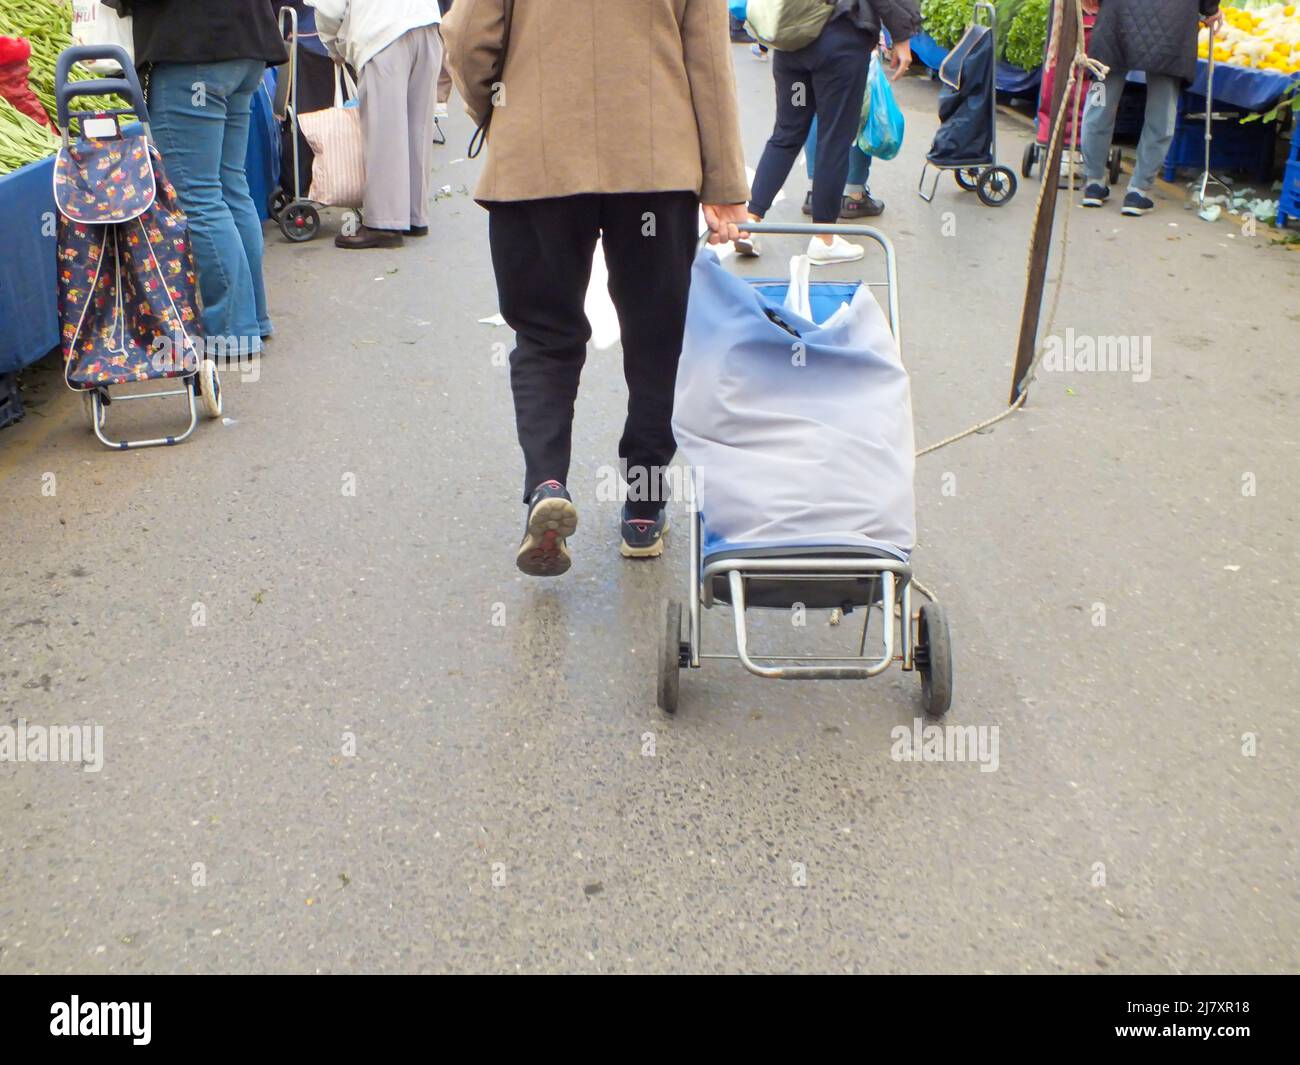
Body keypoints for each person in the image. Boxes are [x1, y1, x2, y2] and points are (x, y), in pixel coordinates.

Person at [443, 0, 749, 576]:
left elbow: (467, 37)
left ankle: (546, 484)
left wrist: (503, 108)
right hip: (655, 166)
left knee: (543, 335)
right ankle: (643, 504)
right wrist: (725, 182)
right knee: (658, 338)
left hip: (537, 158)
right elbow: (707, 57)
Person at [113, 0, 287, 353]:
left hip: (193, 50)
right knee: (229, 186)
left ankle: (231, 330)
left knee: (200, 196)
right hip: (246, 44)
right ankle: (250, 319)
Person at [743, 0, 918, 266]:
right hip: (839, 41)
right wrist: (902, 37)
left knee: (787, 133)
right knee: (834, 138)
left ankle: (749, 224)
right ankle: (824, 238)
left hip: (793, 40)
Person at [309, 0, 443, 249]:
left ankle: (385, 222)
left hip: (381, 32)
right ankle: (414, 215)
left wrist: (333, 46)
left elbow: (329, 9)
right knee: (418, 128)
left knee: (385, 131)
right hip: (427, 24)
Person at [1081, 0, 1224, 216]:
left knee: (1099, 103)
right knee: (1162, 111)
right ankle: (1138, 191)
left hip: (1115, 21)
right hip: (1173, 25)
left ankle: (1093, 182)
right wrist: (1210, 9)